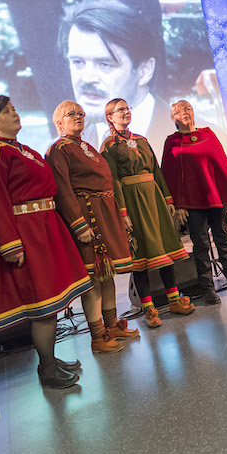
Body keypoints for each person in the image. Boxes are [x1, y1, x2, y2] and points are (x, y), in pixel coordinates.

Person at [0, 96, 92, 390]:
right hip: (27, 234)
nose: (16, 114)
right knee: (42, 304)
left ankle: (51, 359)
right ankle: (47, 369)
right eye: (8, 112)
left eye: (14, 109)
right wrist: (10, 244)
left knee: (50, 300)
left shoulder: (21, 150)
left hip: (44, 229)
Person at [45, 100, 139, 352]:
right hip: (87, 218)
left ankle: (112, 326)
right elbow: (62, 190)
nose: (78, 117)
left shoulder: (86, 147)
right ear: (59, 122)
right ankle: (98, 337)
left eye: (81, 113)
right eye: (71, 114)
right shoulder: (58, 150)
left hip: (105, 214)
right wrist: (78, 224)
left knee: (107, 275)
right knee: (93, 280)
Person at [100, 98, 195, 328]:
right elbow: (114, 180)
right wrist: (123, 212)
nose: (126, 112)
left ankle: (174, 299)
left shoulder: (141, 140)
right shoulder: (109, 146)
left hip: (154, 198)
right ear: (110, 117)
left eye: (127, 108)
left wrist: (167, 198)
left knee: (164, 249)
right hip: (133, 202)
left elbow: (156, 169)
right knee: (140, 256)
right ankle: (148, 308)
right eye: (120, 110)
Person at [161, 100, 227, 305]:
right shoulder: (172, 142)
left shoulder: (208, 134)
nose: (185, 113)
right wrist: (178, 205)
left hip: (215, 197)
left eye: (188, 109)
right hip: (192, 202)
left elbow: (221, 163)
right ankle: (207, 288)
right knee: (201, 245)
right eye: (179, 111)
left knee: (223, 239)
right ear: (173, 118)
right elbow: (170, 175)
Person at [61, 0, 170, 151]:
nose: (87, 78)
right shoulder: (62, 150)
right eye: (78, 62)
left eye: (105, 64)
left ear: (144, 71)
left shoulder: (196, 145)